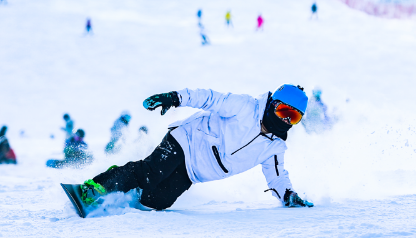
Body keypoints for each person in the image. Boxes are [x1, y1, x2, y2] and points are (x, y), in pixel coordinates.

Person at [77, 85, 315, 211]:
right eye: (284, 112)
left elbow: (277, 177)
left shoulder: (275, 147)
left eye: (294, 118)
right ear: (274, 104)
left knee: (158, 200)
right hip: (186, 140)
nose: (286, 121)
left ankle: (125, 188)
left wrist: (288, 195)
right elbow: (209, 98)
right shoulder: (245, 107)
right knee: (152, 172)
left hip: (196, 172)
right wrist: (174, 98)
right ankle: (95, 187)